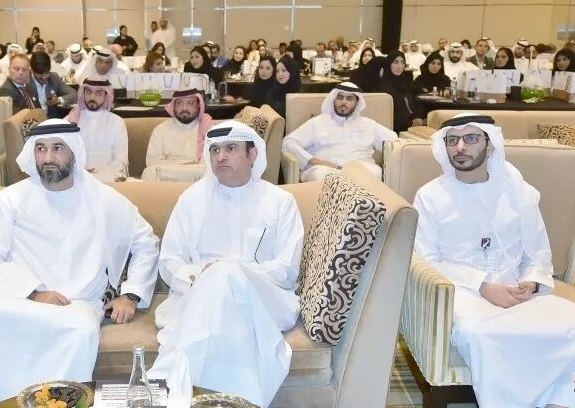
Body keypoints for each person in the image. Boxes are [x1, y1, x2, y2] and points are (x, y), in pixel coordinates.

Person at [0, 118, 159, 405]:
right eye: (41, 149)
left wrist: (131, 295)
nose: (48, 157)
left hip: (74, 306)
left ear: (73, 152)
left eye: (57, 148)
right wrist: (35, 292)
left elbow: (146, 242)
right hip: (17, 297)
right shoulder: (10, 199)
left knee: (81, 330)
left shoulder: (104, 200)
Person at [413, 112, 575, 408]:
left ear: (490, 144)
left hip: (520, 294)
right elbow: (426, 260)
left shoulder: (520, 193)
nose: (460, 147)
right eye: (453, 140)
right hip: (462, 294)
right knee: (484, 334)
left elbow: (538, 253)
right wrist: (483, 286)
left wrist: (531, 281)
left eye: (471, 138)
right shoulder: (430, 196)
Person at [147, 120, 304, 407]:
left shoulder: (280, 201)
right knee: (222, 276)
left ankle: (166, 388)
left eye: (231, 148)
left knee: (227, 271)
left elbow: (286, 269)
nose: (221, 157)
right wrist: (202, 276)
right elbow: (170, 260)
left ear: (252, 154)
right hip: (197, 296)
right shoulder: (192, 199)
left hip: (264, 298)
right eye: (215, 150)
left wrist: (233, 273)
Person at [282, 82, 397, 181]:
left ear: (357, 102)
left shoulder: (369, 125)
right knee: (320, 175)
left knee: (376, 173)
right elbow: (288, 142)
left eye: (349, 98)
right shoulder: (317, 122)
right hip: (326, 170)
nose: (343, 102)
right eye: (340, 97)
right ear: (334, 99)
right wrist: (313, 160)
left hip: (361, 168)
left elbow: (394, 143)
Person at [65, 77, 128, 184]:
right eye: (88, 92)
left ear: (106, 96)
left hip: (108, 178)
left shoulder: (117, 122)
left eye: (98, 93)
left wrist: (99, 175)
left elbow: (121, 160)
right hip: (78, 178)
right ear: (83, 93)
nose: (92, 97)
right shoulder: (69, 120)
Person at [142, 89, 213, 181]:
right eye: (179, 103)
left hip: (197, 173)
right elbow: (152, 162)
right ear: (173, 106)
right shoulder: (160, 130)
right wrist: (183, 165)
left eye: (190, 103)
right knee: (150, 172)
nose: (184, 108)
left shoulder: (206, 127)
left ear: (198, 105)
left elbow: (210, 161)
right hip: (169, 173)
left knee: (209, 172)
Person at [376, 51, 423, 132]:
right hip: (395, 130)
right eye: (395, 62)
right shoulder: (383, 88)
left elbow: (414, 104)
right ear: (388, 64)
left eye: (402, 62)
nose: (399, 66)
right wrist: (410, 123)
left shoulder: (406, 83)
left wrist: (417, 117)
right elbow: (388, 116)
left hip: (412, 126)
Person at [29, 52, 76, 118]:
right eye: (40, 74)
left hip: (52, 120)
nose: (44, 77)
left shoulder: (54, 77)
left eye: (47, 73)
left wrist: (58, 100)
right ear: (32, 70)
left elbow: (74, 95)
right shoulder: (25, 80)